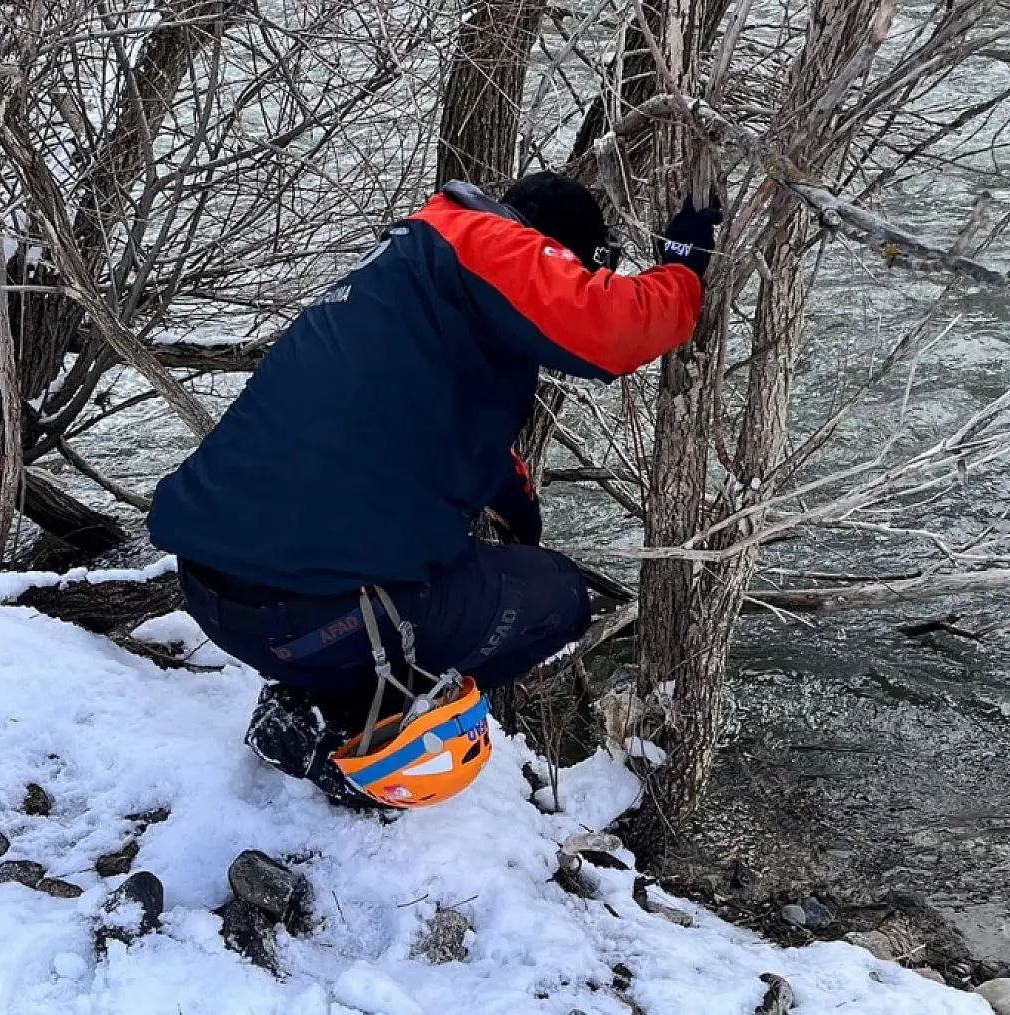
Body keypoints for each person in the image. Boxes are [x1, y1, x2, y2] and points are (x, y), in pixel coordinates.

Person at [147, 172, 718, 809]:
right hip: (314, 616)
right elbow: (613, 328)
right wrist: (683, 267)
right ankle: (350, 733)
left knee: (454, 567)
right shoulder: (491, 243)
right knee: (559, 597)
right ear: (552, 249)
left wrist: (518, 510)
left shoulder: (407, 267)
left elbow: (433, 428)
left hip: (212, 594)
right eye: (578, 268)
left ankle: (306, 696)